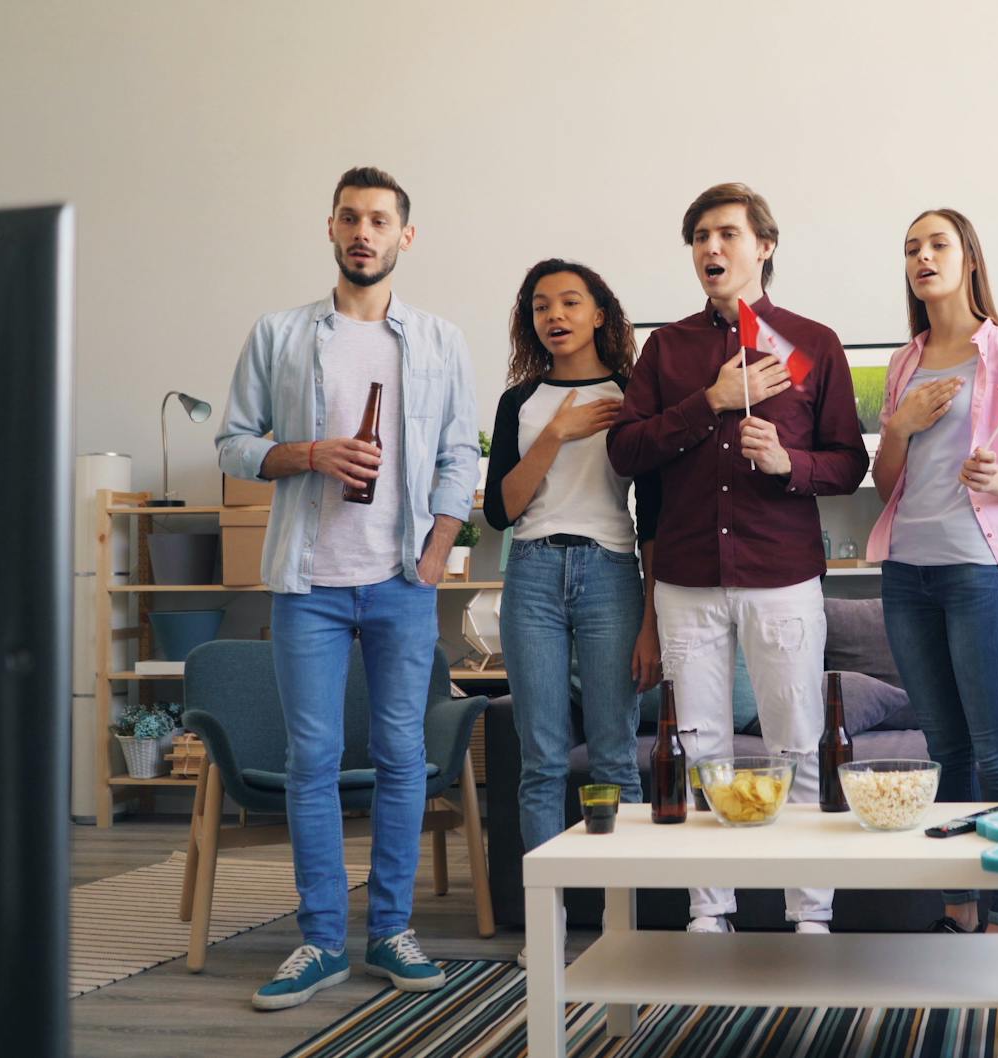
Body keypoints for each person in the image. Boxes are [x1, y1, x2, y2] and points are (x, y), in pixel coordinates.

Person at [216, 166, 478, 1010]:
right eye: (350, 218)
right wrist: (309, 453)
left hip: (402, 579)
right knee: (312, 761)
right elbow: (233, 443)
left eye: (380, 220)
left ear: (406, 236)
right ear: (330, 229)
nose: (364, 232)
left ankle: (391, 930)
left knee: (404, 757)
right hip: (308, 582)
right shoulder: (280, 334)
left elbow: (458, 456)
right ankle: (322, 939)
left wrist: (439, 546)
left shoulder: (440, 340)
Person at [606, 182, 869, 933]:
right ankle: (709, 912)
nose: (710, 249)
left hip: (781, 575)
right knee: (702, 751)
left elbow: (847, 464)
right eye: (698, 238)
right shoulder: (667, 349)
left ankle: (809, 918)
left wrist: (791, 466)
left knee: (796, 744)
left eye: (726, 234)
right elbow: (626, 451)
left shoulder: (814, 344)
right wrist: (711, 402)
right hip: (687, 580)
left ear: (765, 245)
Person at [866, 208, 998, 936]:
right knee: (943, 749)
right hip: (907, 575)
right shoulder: (903, 363)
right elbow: (888, 481)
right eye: (911, 246)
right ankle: (959, 911)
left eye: (937, 244)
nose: (923, 256)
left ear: (969, 259)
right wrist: (900, 425)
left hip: (983, 573)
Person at [483, 258, 662, 858]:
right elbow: (501, 512)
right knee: (542, 762)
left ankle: (626, 927)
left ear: (599, 314)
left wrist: (651, 624)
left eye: (569, 302)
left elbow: (654, 518)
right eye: (540, 306)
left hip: (612, 575)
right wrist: (557, 432)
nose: (554, 315)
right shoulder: (522, 403)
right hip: (532, 573)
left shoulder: (634, 395)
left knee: (616, 757)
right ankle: (546, 928)